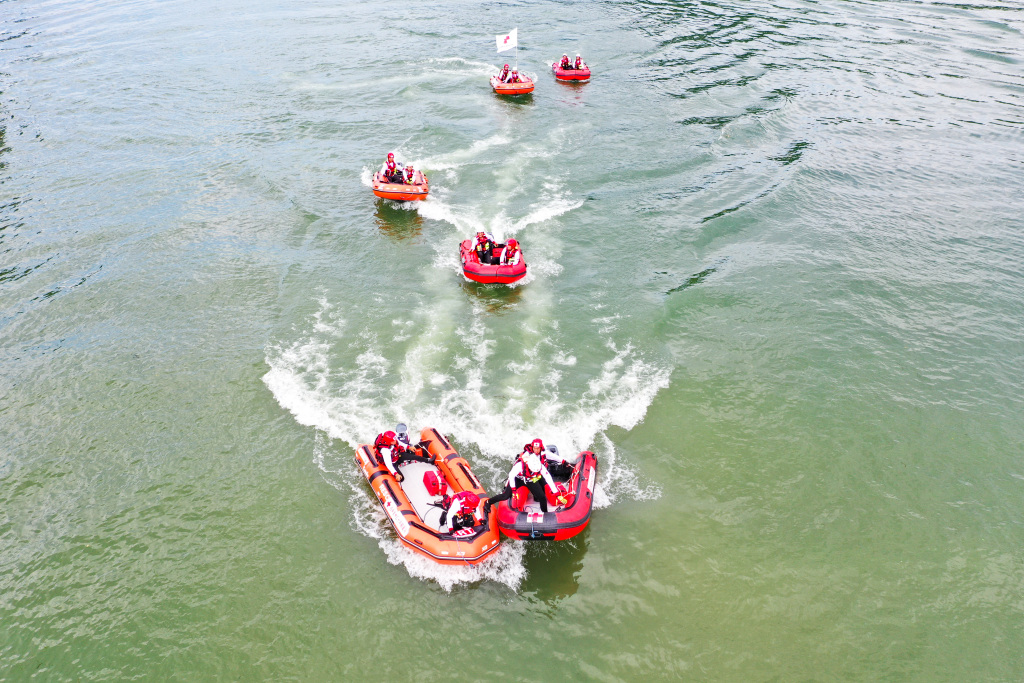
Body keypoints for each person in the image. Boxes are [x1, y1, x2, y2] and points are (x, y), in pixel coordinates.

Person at [484, 440, 561, 514]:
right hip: (518, 479)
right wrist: (513, 489)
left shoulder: (540, 466)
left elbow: (549, 479)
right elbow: (511, 475)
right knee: (505, 496)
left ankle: (545, 514)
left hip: (530, 480)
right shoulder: (519, 466)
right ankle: (488, 502)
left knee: (542, 497)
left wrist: (556, 492)